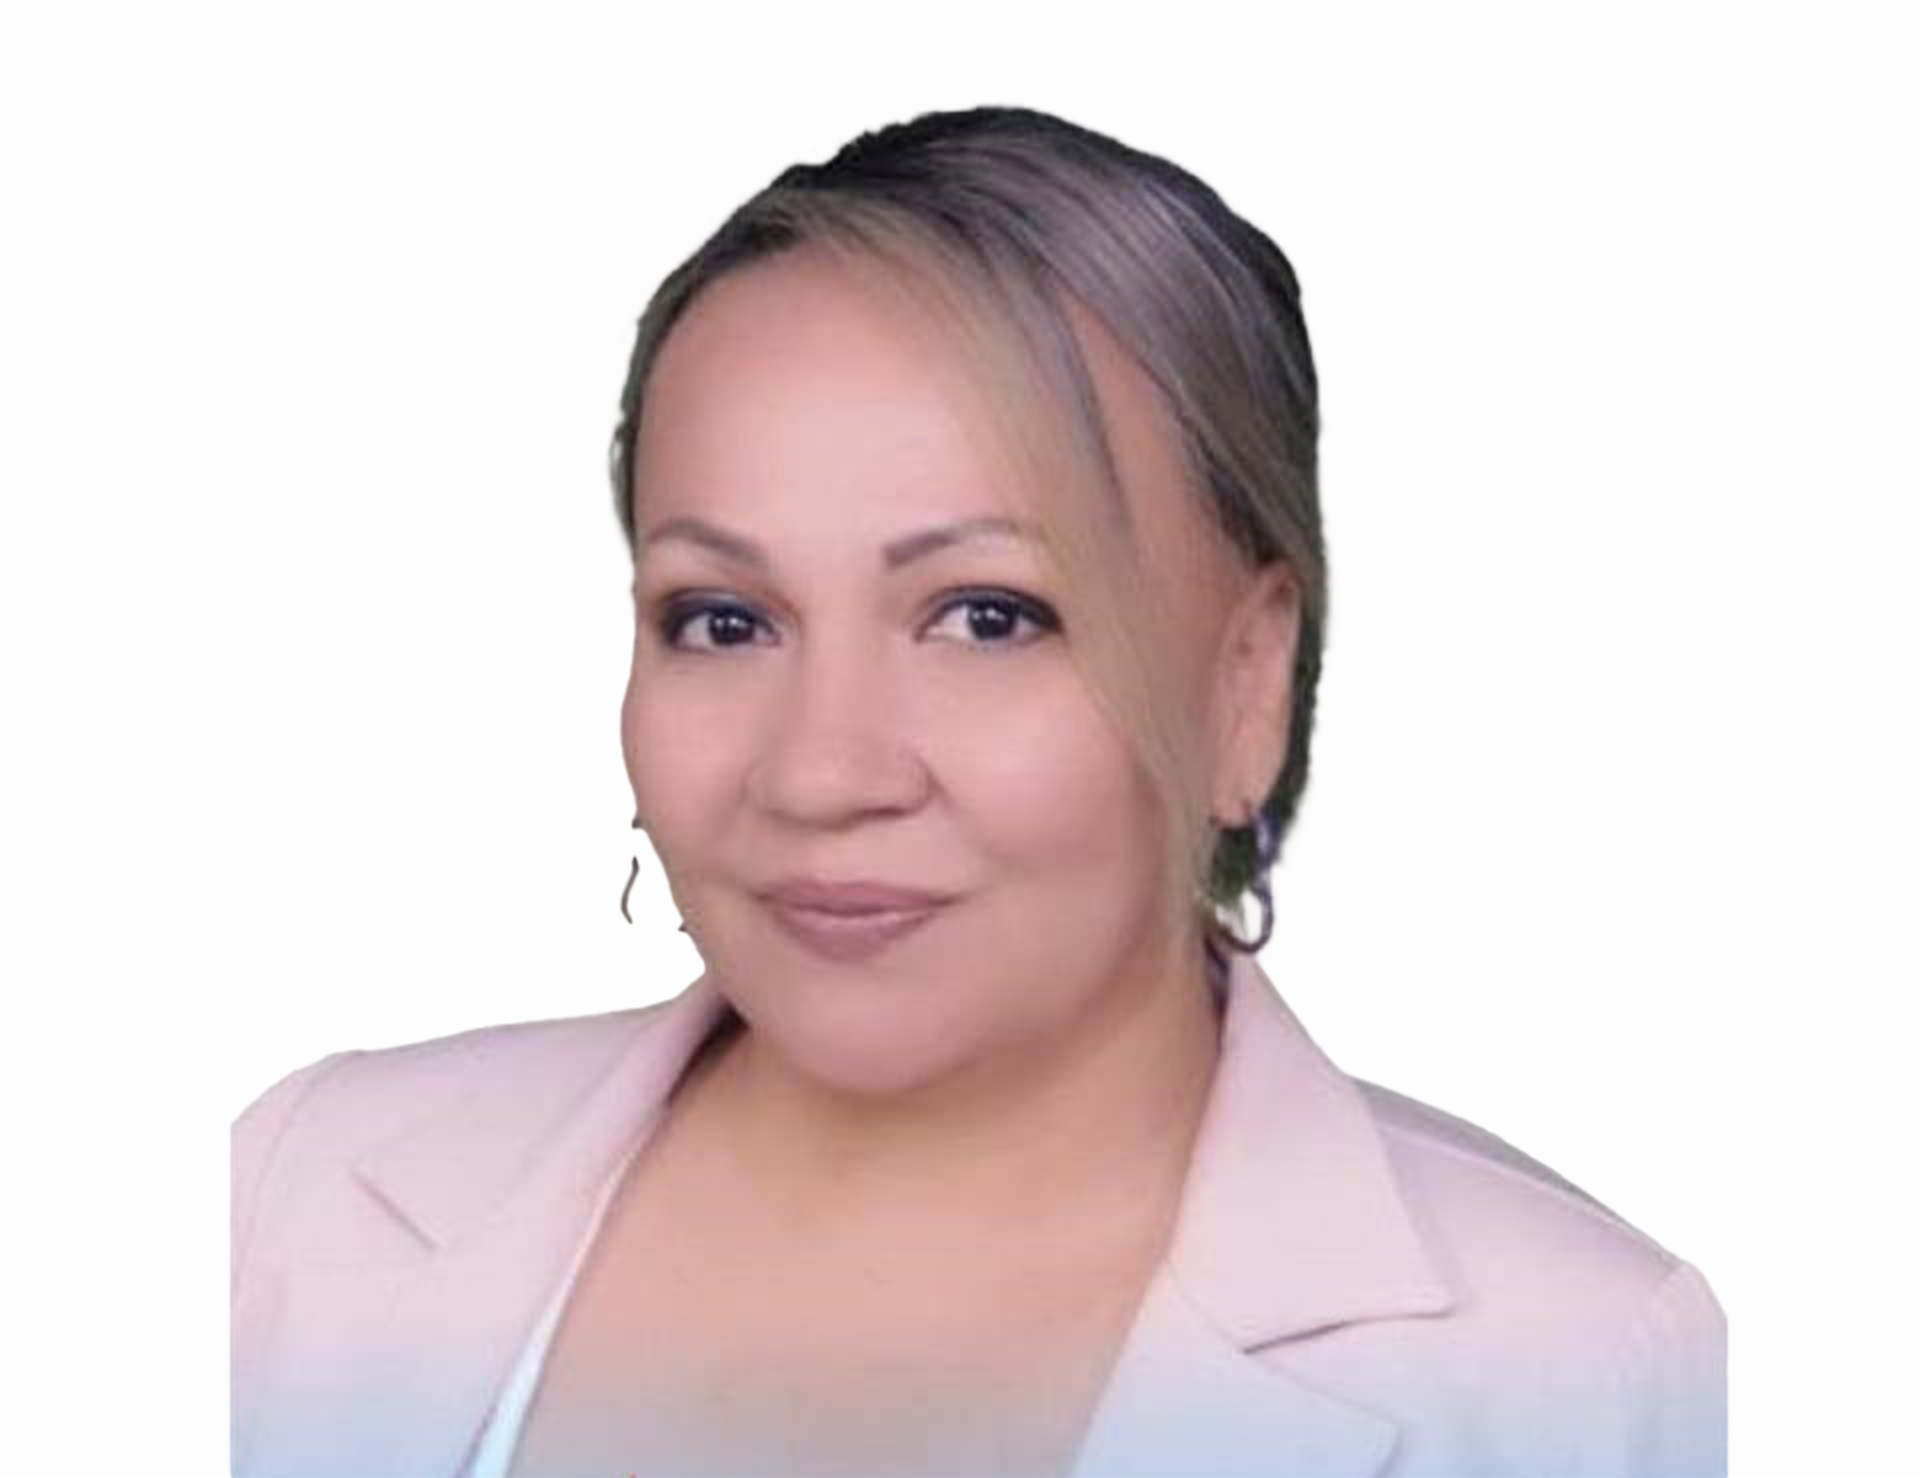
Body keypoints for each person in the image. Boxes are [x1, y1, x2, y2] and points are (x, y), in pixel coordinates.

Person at [230, 105, 1727, 1478]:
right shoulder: (286, 1200)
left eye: (988, 616)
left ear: (1245, 684)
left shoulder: (1579, 1374)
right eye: (724, 620)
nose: (822, 771)